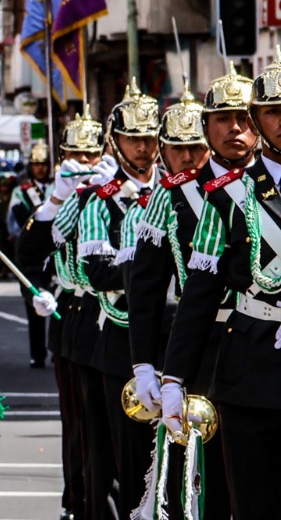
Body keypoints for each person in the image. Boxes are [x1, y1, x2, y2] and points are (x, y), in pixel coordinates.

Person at [161, 63, 278, 518]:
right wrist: (172, 377)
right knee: (253, 503)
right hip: (250, 369)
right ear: (258, 118)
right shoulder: (228, 197)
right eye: (271, 111)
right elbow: (199, 294)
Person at [127, 80, 224, 520]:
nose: (189, 157)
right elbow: (145, 286)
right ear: (164, 151)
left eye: (196, 147)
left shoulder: (250, 185)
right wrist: (145, 363)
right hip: (197, 344)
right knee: (200, 474)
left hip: (254, 335)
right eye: (178, 148)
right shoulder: (170, 194)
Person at [73, 82, 161, 517]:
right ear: (115, 142)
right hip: (120, 339)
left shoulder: (177, 191)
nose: (144, 148)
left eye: (150, 138)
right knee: (128, 457)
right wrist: (148, 267)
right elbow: (96, 271)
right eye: (134, 139)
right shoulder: (100, 200)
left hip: (176, 333)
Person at [26, 108, 109, 520]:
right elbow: (31, 255)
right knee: (79, 424)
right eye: (75, 155)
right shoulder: (57, 199)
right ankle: (77, 501)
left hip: (117, 318)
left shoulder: (114, 192)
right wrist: (57, 199)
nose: (84, 164)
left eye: (91, 155)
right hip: (74, 315)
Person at [9, 141, 53, 369]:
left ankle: (56, 350)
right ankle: (37, 354)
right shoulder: (21, 191)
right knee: (35, 303)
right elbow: (14, 222)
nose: (40, 169)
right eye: (36, 165)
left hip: (55, 253)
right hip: (31, 254)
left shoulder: (58, 186)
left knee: (59, 303)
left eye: (44, 164)